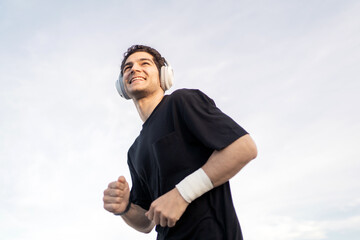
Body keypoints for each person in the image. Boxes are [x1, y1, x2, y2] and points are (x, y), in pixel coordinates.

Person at [103, 45, 257, 240]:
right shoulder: (134, 151)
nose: (134, 69)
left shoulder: (181, 102)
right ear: (121, 85)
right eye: (128, 67)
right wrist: (125, 208)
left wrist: (182, 194)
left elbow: (243, 148)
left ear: (164, 76)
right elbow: (146, 221)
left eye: (145, 63)